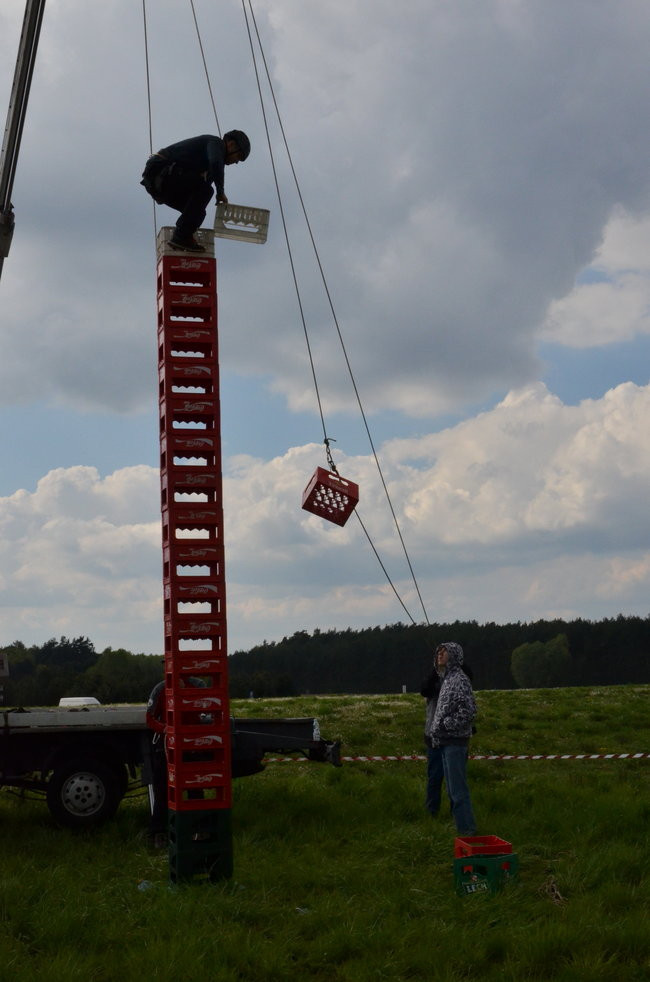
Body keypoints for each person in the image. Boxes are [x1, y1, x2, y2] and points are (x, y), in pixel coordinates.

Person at [140, 131, 251, 252]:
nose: (236, 162)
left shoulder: (209, 169)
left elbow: (201, 192)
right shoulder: (216, 143)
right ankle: (180, 236)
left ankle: (184, 238)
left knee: (197, 213)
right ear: (231, 145)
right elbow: (215, 163)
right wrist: (220, 192)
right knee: (206, 191)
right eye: (238, 156)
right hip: (160, 171)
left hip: (161, 183)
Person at [428, 641, 477, 835]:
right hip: (446, 743)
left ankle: (468, 832)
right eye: (438, 651)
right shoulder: (447, 679)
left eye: (444, 651)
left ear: (455, 655)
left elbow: (469, 711)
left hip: (455, 743)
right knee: (452, 791)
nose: (440, 653)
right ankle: (462, 829)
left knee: (458, 792)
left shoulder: (459, 679)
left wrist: (446, 725)